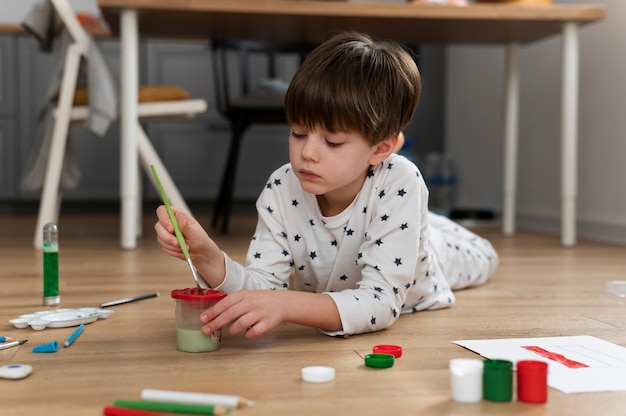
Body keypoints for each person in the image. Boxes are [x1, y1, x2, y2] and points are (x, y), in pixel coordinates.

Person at [155, 31, 498, 339]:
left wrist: (287, 305)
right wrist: (206, 255)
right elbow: (261, 290)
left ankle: (426, 228)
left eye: (332, 142)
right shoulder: (281, 187)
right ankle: (424, 224)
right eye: (298, 133)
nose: (307, 153)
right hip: (381, 227)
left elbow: (379, 303)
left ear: (380, 148)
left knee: (486, 257)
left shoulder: (401, 180)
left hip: (431, 260)